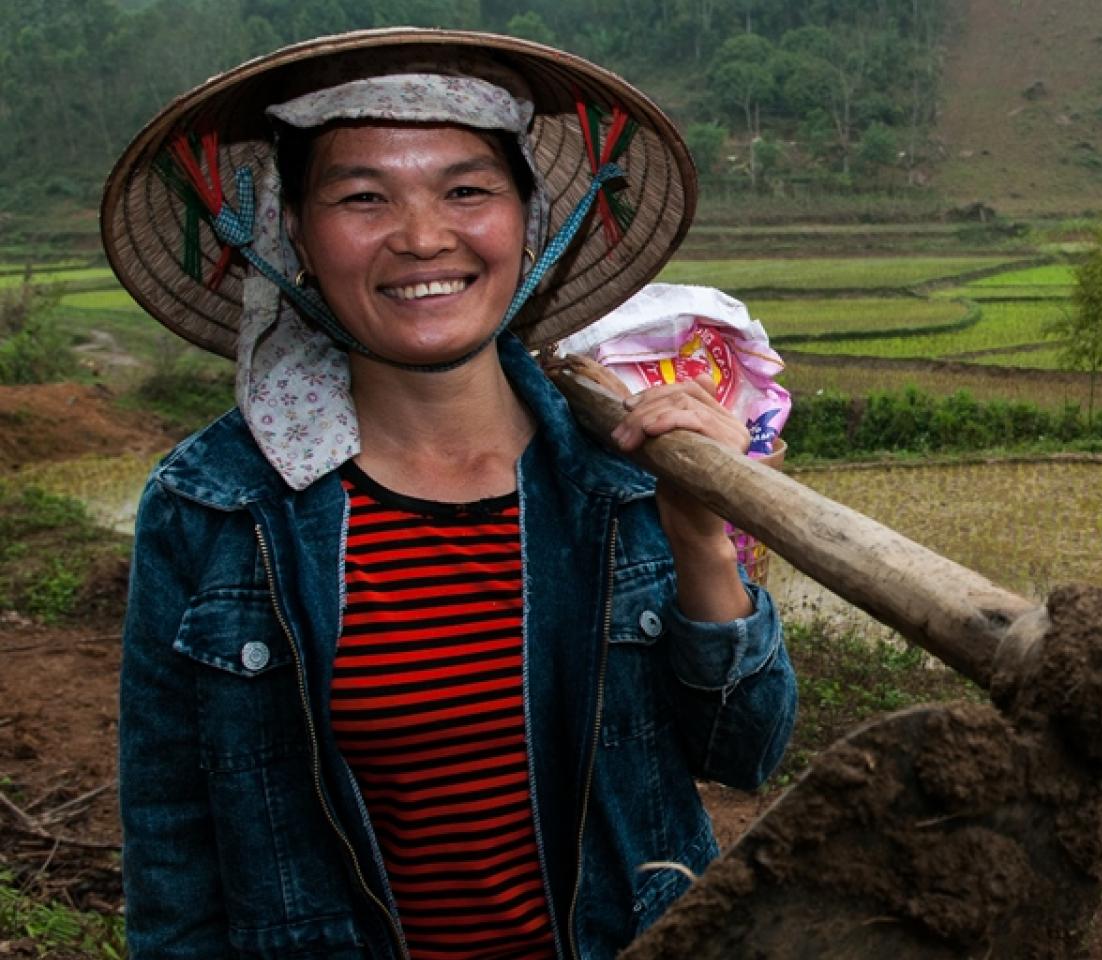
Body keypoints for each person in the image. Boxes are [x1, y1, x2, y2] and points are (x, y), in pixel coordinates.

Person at [104, 30, 796, 959]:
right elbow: (172, 853)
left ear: (528, 218)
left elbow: (744, 754)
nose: (423, 237)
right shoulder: (214, 508)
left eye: (467, 190)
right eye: (362, 197)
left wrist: (702, 540)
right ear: (297, 237)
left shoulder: (626, 469)